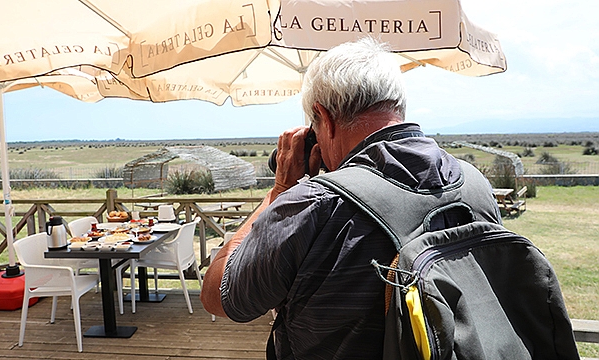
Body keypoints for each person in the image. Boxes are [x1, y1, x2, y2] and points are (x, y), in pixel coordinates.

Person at [201, 37, 498, 359]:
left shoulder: (313, 203)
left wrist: (279, 191)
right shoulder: (474, 185)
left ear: (323, 118)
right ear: (397, 106)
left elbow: (219, 296)